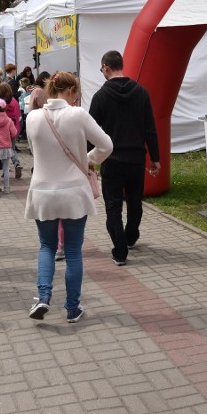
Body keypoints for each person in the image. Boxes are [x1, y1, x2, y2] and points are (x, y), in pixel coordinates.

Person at [25, 71, 112, 322]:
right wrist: (88, 161)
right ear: (73, 92)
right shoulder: (78, 114)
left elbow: (34, 152)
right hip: (74, 191)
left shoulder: (32, 117)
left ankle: (42, 297)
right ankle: (72, 308)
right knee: (73, 251)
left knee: (46, 246)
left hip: (42, 190)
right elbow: (106, 145)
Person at [89, 50, 161, 266]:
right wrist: (155, 158)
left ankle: (120, 251)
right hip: (136, 158)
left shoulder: (100, 96)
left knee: (113, 206)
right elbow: (150, 128)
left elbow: (91, 131)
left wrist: (88, 159)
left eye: (101, 68)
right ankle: (130, 236)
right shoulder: (141, 93)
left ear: (106, 67)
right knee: (134, 201)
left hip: (111, 159)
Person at [0, 81, 22, 178]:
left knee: (1, 149)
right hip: (14, 128)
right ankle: (17, 164)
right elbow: (18, 115)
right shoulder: (14, 101)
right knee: (12, 148)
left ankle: (4, 169)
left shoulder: (0, 103)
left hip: (3, 130)